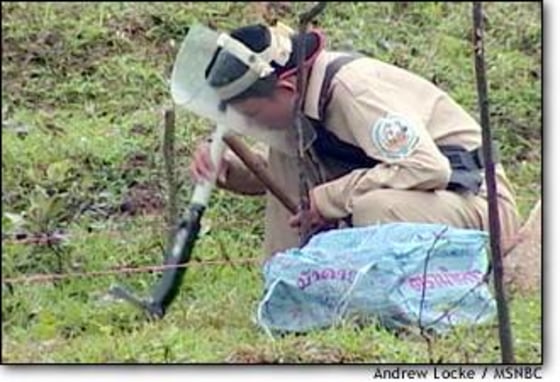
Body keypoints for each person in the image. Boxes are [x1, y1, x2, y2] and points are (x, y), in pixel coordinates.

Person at [185, 23, 520, 257]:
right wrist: (227, 169)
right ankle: (295, 284)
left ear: (286, 89)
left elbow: (428, 168)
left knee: (373, 208)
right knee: (287, 156)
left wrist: (329, 198)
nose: (249, 124)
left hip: (475, 202)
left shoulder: (353, 90)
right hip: (424, 197)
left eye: (253, 114)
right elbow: (274, 178)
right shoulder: (301, 106)